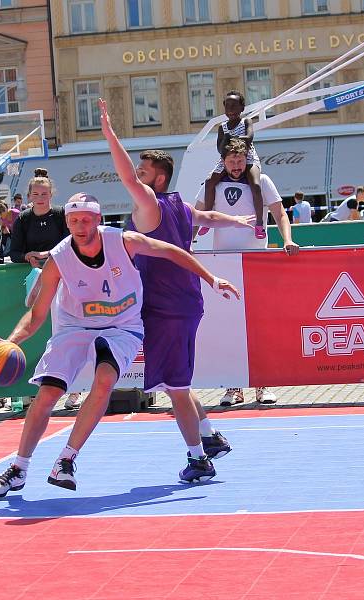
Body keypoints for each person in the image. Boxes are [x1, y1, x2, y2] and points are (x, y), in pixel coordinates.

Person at [0, 195, 241, 498]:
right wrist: (12, 341)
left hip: (122, 327)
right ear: (67, 222)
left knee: (105, 379)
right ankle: (19, 468)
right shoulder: (59, 258)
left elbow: (172, 251)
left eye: (85, 219)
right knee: (48, 392)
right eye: (73, 220)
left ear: (98, 219)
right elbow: (37, 314)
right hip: (75, 327)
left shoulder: (124, 241)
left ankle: (66, 460)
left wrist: (211, 278)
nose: (79, 226)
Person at [100, 98, 252, 467]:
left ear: (159, 178)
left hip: (166, 306)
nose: (137, 175)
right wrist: (237, 221)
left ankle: (198, 459)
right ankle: (210, 437)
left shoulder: (149, 205)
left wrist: (109, 134)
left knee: (177, 388)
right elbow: (209, 216)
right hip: (185, 301)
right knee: (176, 382)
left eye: (143, 171)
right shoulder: (180, 206)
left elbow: (124, 176)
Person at [198, 138, 300, 406]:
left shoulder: (263, 181)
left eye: (240, 160)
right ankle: (233, 387)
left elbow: (280, 214)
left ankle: (262, 384)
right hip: (223, 263)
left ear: (247, 160)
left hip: (256, 261)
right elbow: (195, 216)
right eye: (231, 160)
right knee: (230, 326)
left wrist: (287, 239)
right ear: (223, 160)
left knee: (259, 326)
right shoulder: (212, 183)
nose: (235, 165)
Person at [8, 170, 80, 407]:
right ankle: (30, 389)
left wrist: (50, 254)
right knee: (36, 333)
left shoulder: (60, 215)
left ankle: (75, 389)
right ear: (29, 196)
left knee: (66, 334)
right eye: (36, 194)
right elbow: (14, 252)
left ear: (51, 194)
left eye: (45, 193)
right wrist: (28, 255)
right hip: (35, 282)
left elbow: (73, 243)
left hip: (64, 280)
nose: (40, 197)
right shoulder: (23, 219)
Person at [202, 91, 265, 239]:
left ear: (242, 108)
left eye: (234, 106)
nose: (230, 109)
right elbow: (220, 149)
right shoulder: (222, 127)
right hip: (228, 158)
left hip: (247, 156)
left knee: (255, 185)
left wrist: (230, 139)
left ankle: (259, 223)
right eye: (227, 106)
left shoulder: (246, 122)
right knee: (209, 182)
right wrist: (227, 142)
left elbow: (248, 138)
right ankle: (206, 220)